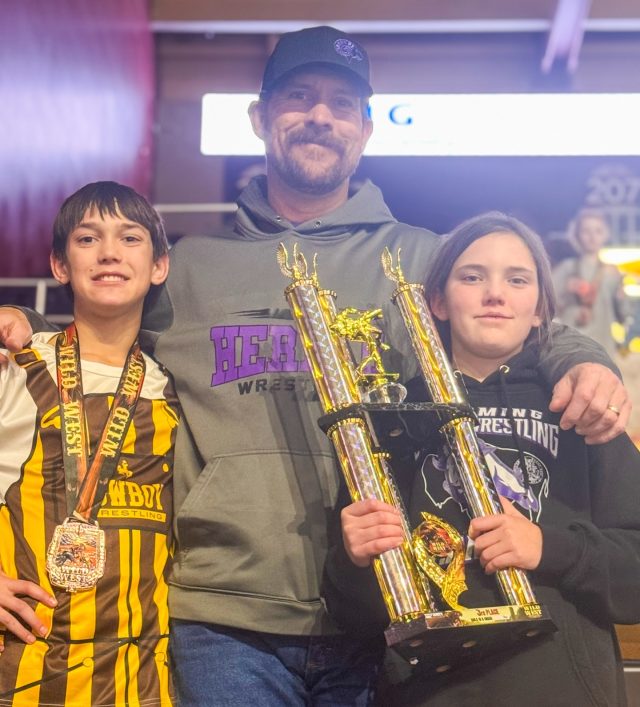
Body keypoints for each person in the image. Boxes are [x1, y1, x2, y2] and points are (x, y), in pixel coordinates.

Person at [0, 26, 632, 707]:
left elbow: (519, 316)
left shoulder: (420, 259)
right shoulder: (190, 267)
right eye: (298, 97)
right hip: (226, 618)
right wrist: (28, 324)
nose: (320, 116)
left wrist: (587, 359)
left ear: (365, 130)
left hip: (388, 610)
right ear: (260, 117)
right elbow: (104, 327)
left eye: (341, 103)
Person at [324, 212, 640, 706]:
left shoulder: (580, 408)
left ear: (540, 308)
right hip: (428, 693)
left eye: (517, 280)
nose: (495, 294)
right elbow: (353, 614)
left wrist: (548, 547)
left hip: (561, 689)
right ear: (437, 301)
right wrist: (355, 560)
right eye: (472, 278)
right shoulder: (390, 419)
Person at [0, 182, 179, 706]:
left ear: (159, 266)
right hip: (24, 674)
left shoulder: (176, 387)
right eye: (87, 239)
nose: (109, 253)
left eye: (130, 238)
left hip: (143, 681)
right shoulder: (17, 368)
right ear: (60, 265)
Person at [552, 208, 630, 356]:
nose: (592, 237)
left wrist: (621, 296)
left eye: (598, 231)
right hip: (570, 347)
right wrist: (565, 290)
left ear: (606, 234)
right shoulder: (566, 268)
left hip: (603, 347)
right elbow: (546, 307)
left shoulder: (612, 273)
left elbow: (624, 316)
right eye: (586, 231)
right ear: (577, 234)